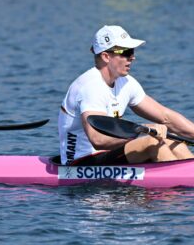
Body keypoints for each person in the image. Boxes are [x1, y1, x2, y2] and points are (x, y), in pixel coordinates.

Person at [58, 25, 194, 166]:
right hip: (81, 163)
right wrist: (143, 132)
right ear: (106, 56)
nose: (132, 57)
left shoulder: (126, 82)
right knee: (152, 141)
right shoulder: (90, 87)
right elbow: (98, 140)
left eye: (132, 52)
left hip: (110, 154)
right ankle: (179, 183)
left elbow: (166, 118)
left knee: (173, 139)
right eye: (126, 52)